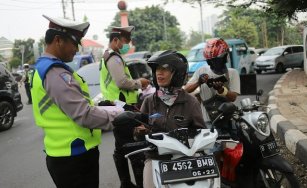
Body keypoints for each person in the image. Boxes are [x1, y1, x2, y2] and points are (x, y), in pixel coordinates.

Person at [31, 15, 124, 188]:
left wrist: (100, 108)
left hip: (69, 153)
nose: (76, 49)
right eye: (74, 43)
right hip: (73, 157)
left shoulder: (47, 68)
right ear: (58, 40)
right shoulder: (55, 72)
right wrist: (121, 118)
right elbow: (84, 115)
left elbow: (72, 106)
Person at [134, 50, 205, 188]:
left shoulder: (191, 102)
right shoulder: (149, 101)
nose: (159, 73)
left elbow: (200, 132)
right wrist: (139, 131)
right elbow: (138, 131)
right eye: (157, 69)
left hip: (185, 158)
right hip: (155, 157)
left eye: (164, 69)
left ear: (177, 73)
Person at [99, 26, 150, 188]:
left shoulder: (108, 55)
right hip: (122, 107)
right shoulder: (113, 57)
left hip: (115, 106)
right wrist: (139, 83)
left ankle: (125, 183)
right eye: (125, 41)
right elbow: (121, 82)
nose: (127, 44)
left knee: (120, 148)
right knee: (134, 148)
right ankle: (137, 184)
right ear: (116, 40)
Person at [184, 38, 240, 126]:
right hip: (206, 122)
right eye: (211, 61)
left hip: (227, 120)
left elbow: (233, 98)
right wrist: (198, 82)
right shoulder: (201, 71)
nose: (214, 63)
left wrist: (221, 90)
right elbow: (186, 90)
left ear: (225, 57)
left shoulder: (233, 73)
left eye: (216, 60)